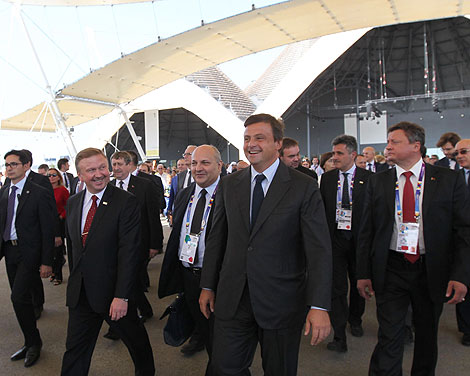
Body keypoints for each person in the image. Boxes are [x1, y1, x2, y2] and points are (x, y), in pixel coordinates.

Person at [199, 113, 332, 375]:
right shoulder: (229, 185)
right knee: (224, 368)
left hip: (281, 301)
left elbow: (318, 250)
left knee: (279, 370)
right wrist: (207, 285)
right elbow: (217, 239)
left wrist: (319, 305)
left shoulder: (303, 187)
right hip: (233, 298)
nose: (251, 144)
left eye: (260, 138)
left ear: (278, 143)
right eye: (247, 139)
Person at [357, 121, 470, 375]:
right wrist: (363, 272)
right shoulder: (379, 182)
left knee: (427, 336)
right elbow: (366, 231)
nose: (387, 147)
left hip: (431, 269)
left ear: (415, 146)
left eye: (394, 142)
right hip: (391, 267)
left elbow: (463, 231)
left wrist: (460, 275)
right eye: (388, 142)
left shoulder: (448, 180)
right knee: (389, 334)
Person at [61, 148, 155, 376]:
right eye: (91, 170)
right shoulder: (73, 203)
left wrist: (121, 296)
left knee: (137, 344)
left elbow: (129, 252)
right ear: (80, 175)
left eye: (102, 167)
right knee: (75, 351)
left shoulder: (126, 202)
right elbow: (75, 249)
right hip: (81, 295)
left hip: (114, 294)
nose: (99, 174)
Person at [159, 145, 222, 370]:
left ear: (219, 166)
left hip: (216, 279)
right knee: (202, 326)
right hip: (188, 274)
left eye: (205, 163)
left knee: (220, 337)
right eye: (194, 163)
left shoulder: (228, 194)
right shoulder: (186, 194)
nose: (198, 168)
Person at [0, 150, 55, 368]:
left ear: (26, 166)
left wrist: (47, 261)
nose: (9, 168)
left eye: (14, 164)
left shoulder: (39, 192)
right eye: (6, 164)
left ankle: (34, 342)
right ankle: (30, 340)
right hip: (10, 251)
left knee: (18, 297)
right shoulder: (5, 192)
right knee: (21, 300)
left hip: (29, 253)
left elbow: (47, 228)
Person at [319, 135, 372, 353]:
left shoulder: (369, 179)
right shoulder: (328, 179)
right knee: (337, 288)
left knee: (359, 282)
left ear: (353, 155)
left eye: (340, 153)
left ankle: (356, 319)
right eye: (333, 153)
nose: (335, 157)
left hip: (359, 241)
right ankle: (339, 334)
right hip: (336, 240)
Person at [103, 151, 163, 341]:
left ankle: (122, 322)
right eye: (114, 164)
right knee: (129, 281)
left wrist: (155, 244)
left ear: (130, 165)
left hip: (141, 242)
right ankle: (141, 311)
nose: (116, 168)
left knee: (131, 279)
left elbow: (153, 216)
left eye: (120, 164)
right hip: (116, 244)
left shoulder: (145, 186)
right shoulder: (109, 186)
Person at [454, 139, 470, 346]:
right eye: (457, 153)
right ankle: (466, 328)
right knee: (462, 280)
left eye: (463, 151)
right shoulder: (454, 178)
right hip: (461, 237)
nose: (459, 156)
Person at [47, 167, 70, 285]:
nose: (51, 177)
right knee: (49, 250)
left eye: (53, 175)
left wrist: (61, 216)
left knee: (57, 249)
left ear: (58, 177)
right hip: (47, 223)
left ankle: (58, 275)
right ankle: (53, 272)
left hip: (59, 223)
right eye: (49, 175)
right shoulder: (44, 190)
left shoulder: (63, 190)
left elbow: (69, 205)